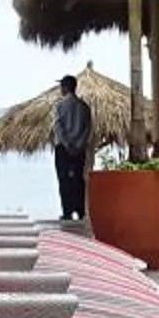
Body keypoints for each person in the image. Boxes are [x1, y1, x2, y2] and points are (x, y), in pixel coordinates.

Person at [48, 74, 95, 220]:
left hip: (63, 148)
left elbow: (58, 127)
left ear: (66, 87)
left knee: (64, 180)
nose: (60, 89)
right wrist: (79, 144)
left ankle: (67, 211)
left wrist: (67, 144)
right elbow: (88, 129)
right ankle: (80, 211)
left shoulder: (60, 106)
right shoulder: (84, 107)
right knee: (78, 179)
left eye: (61, 86)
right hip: (79, 149)